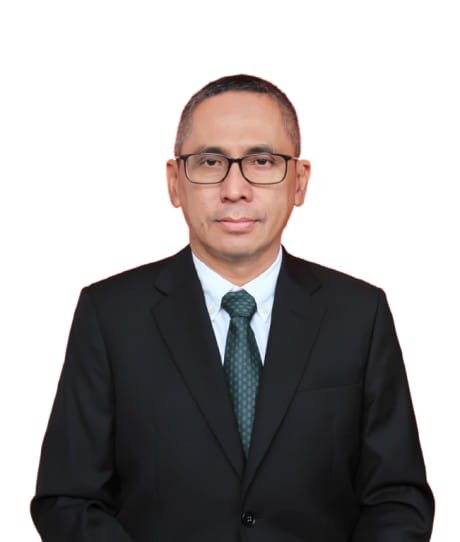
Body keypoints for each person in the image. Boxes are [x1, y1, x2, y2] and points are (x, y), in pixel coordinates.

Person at [31, 74, 434, 541]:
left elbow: (396, 498)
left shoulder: (358, 315)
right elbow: (68, 499)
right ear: (175, 182)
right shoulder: (111, 316)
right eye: (210, 162)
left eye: (262, 161)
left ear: (299, 182)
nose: (235, 188)